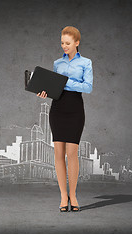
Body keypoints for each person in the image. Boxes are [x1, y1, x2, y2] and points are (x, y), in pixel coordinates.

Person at [37, 26, 93, 212]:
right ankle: (63, 196)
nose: (64, 46)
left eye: (68, 43)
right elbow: (55, 88)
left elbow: (88, 87)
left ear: (77, 43)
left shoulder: (86, 62)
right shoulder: (57, 64)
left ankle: (74, 195)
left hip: (75, 109)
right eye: (62, 43)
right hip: (58, 108)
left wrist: (66, 81)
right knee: (58, 153)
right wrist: (46, 91)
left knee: (72, 153)